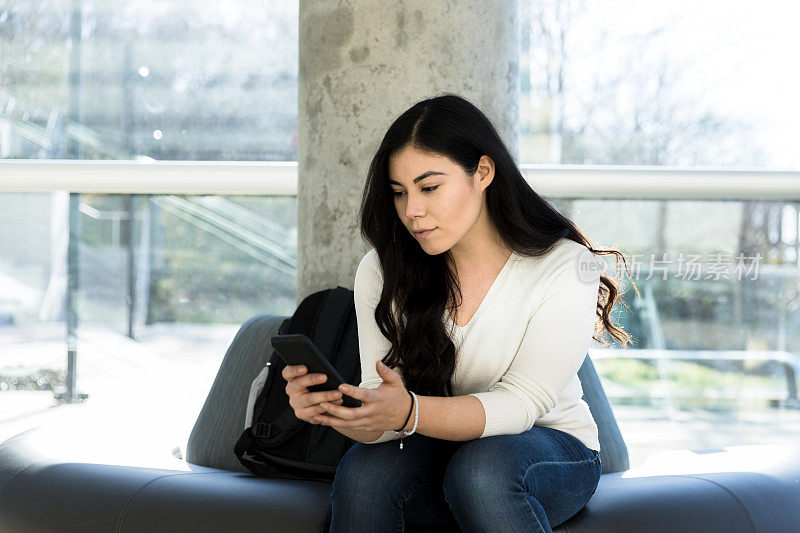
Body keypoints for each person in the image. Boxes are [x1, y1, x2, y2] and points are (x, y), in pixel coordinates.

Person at [283, 93, 634, 532]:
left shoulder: (567, 266)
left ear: (483, 173)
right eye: (399, 193)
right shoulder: (382, 269)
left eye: (430, 187)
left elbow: (521, 405)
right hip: (434, 447)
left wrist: (409, 412)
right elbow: (386, 417)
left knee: (481, 472)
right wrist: (343, 412)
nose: (413, 210)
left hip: (550, 451)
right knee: (365, 473)